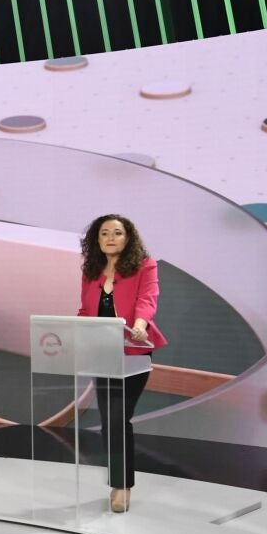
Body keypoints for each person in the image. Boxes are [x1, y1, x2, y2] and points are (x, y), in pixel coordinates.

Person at [76, 215, 166, 513]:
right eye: (104, 233)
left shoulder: (145, 266)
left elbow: (147, 300)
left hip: (133, 351)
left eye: (117, 233)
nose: (110, 238)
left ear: (128, 238)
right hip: (101, 353)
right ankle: (118, 481)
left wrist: (139, 325)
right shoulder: (91, 270)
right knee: (109, 420)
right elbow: (85, 309)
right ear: (97, 240)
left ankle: (122, 486)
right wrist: (74, 331)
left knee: (118, 417)